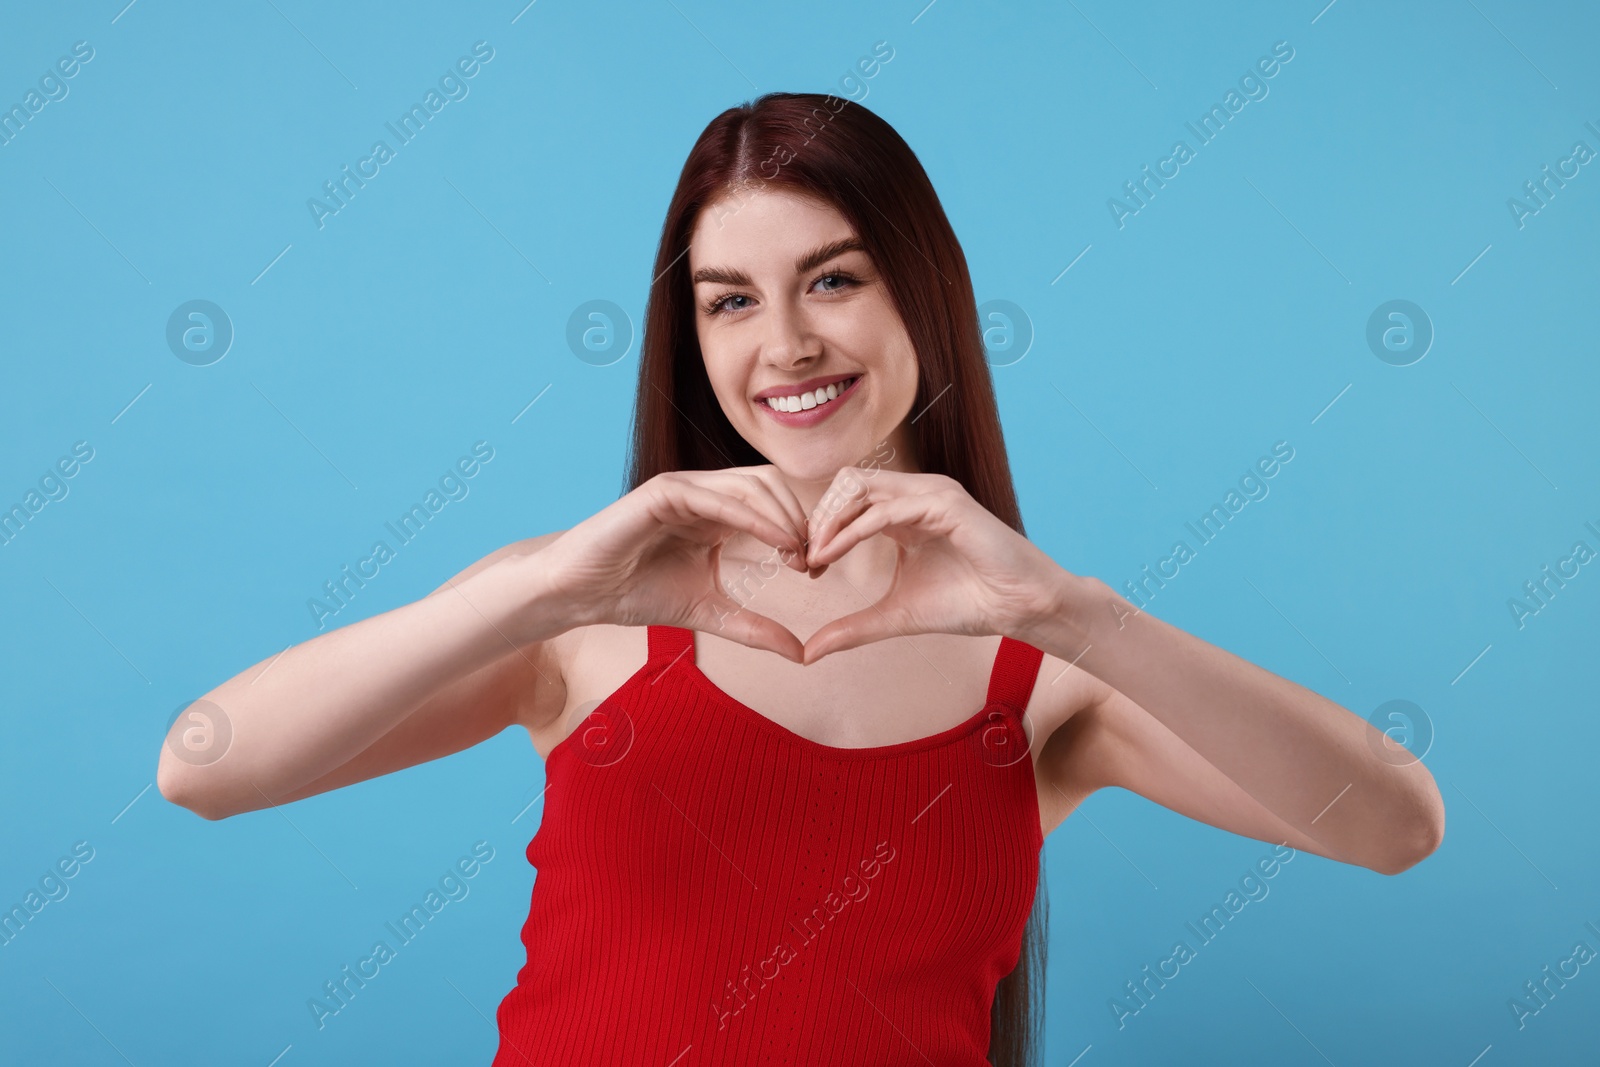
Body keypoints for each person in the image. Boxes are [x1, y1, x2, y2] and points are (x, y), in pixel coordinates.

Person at [157, 92, 1445, 1066]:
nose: (785, 344)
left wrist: (1069, 611)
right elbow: (206, 766)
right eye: (729, 301)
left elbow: (1393, 823)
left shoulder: (1045, 671)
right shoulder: (576, 611)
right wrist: (543, 592)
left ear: (921, 296)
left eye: (834, 278)